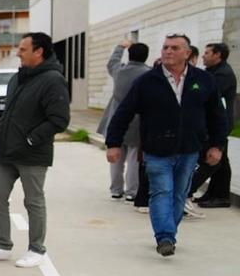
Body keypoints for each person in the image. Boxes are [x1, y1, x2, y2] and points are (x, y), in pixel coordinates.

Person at [106, 34, 227, 256]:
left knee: (179, 194)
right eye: (165, 47)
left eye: (174, 48)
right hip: (157, 149)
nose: (168, 51)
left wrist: (217, 145)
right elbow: (124, 113)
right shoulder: (146, 81)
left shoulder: (204, 80)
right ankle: (165, 237)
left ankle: (168, 232)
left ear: (187, 53)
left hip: (190, 149)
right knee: (162, 191)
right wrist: (113, 143)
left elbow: (217, 115)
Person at [0, 33, 71, 268]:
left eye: (23, 49)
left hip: (32, 153)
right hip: (6, 151)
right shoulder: (17, 79)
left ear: (39, 52)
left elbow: (59, 119)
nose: (18, 52)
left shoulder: (52, 80)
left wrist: (31, 139)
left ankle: (36, 249)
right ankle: (2, 245)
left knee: (33, 201)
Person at [97, 39, 149, 201]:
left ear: (129, 54)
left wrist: (120, 46)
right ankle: (132, 192)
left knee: (116, 156)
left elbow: (112, 62)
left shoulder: (119, 71)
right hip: (138, 119)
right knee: (134, 157)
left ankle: (116, 189)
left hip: (116, 117)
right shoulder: (149, 73)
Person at [190, 42, 235, 207]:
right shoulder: (213, 72)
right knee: (221, 161)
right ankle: (216, 194)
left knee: (214, 159)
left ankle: (216, 195)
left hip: (220, 123)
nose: (204, 55)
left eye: (207, 53)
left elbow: (206, 94)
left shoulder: (223, 74)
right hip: (214, 122)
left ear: (218, 55)